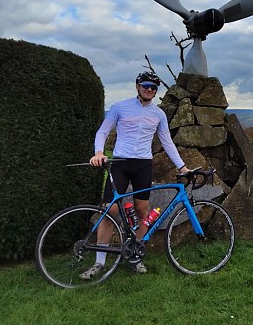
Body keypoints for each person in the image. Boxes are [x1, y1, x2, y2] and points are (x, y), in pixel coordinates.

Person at [80, 71, 190, 279]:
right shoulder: (120, 107)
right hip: (120, 163)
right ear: (137, 86)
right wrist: (99, 153)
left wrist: (182, 167)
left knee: (142, 211)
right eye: (146, 85)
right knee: (109, 210)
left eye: (154, 87)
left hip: (143, 165)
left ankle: (135, 256)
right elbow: (103, 131)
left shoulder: (158, 114)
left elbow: (167, 141)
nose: (150, 89)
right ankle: (99, 262)